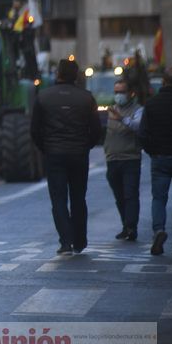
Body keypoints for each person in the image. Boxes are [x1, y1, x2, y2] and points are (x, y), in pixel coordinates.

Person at [31, 58, 102, 255]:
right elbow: (96, 130)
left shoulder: (44, 97)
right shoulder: (86, 98)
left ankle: (65, 241)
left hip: (54, 154)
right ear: (76, 75)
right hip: (79, 154)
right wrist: (85, 146)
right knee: (79, 198)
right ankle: (80, 240)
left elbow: (35, 130)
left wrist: (46, 148)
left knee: (58, 199)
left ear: (58, 74)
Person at [140, 66, 172, 255]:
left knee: (159, 198)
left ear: (163, 82)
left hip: (160, 157)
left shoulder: (152, 104)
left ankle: (159, 230)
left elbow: (143, 133)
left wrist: (151, 151)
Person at [104, 78, 144, 241]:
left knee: (130, 195)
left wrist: (121, 118)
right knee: (119, 196)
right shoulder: (110, 110)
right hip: (112, 159)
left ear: (130, 93)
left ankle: (131, 227)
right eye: (116, 92)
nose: (118, 95)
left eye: (122, 92)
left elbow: (138, 126)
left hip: (130, 159)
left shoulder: (138, 110)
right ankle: (125, 225)